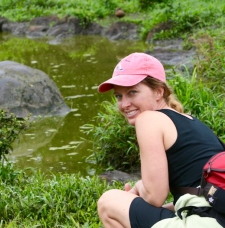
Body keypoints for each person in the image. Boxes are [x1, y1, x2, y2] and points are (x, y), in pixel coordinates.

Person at [96, 52, 224, 228]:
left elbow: (154, 196)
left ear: (158, 91)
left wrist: (138, 189)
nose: (124, 104)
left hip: (204, 223)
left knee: (108, 202)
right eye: (119, 96)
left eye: (132, 92)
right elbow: (198, 197)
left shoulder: (148, 119)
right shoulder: (193, 123)